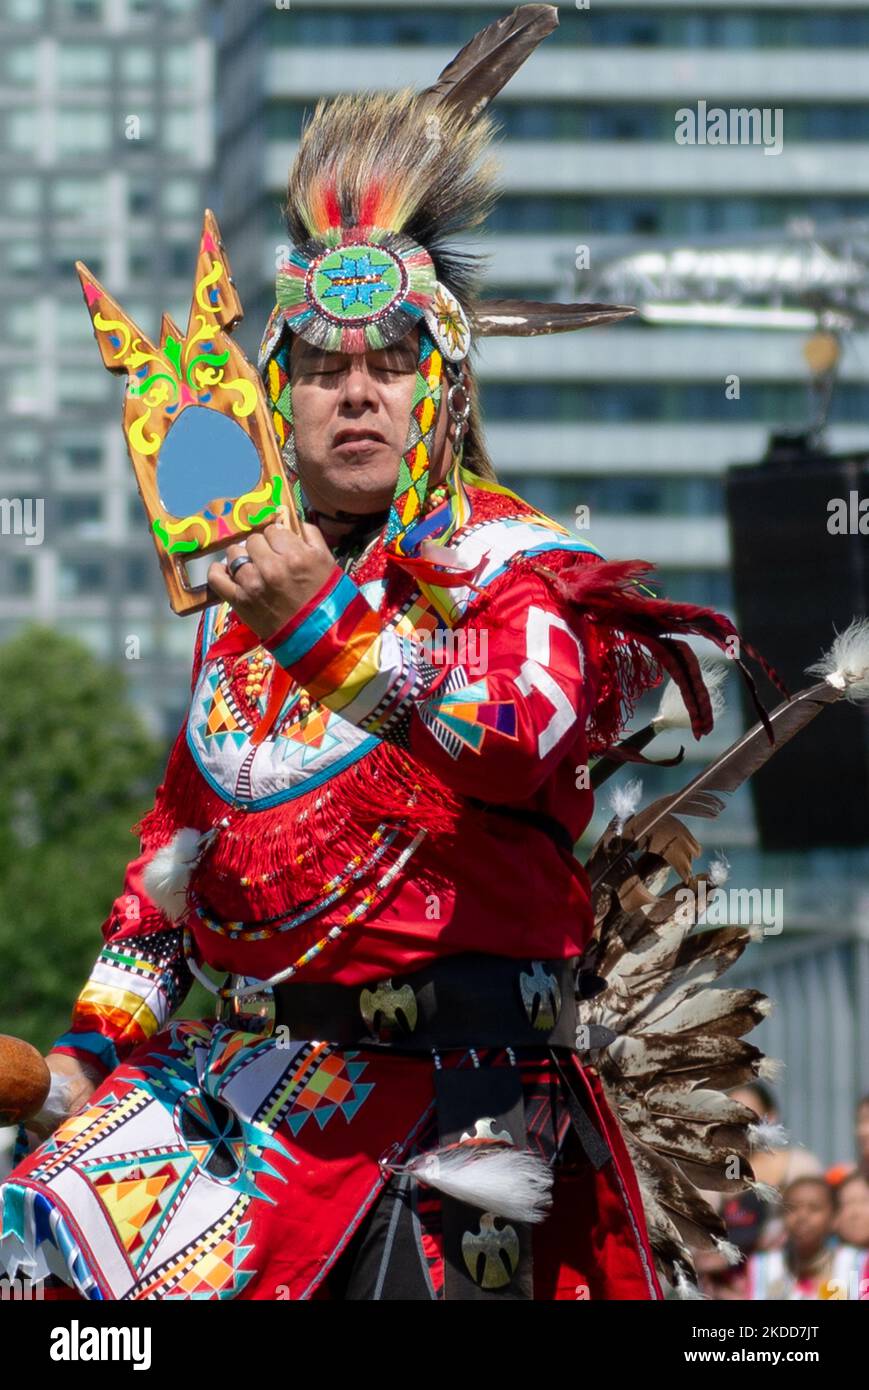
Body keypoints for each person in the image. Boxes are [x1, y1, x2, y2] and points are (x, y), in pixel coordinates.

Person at [0, 5, 792, 1302]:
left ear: (445, 387)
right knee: (30, 1256)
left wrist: (329, 630)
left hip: (452, 1115)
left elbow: (527, 733)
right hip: (242, 1095)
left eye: (389, 362)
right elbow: (171, 867)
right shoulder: (244, 608)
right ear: (278, 397)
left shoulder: (509, 560)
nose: (355, 390)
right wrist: (87, 1053)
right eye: (320, 365)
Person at [746, 1177, 867, 1300]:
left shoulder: (857, 1264)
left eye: (814, 1208)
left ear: (834, 1218)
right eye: (792, 1208)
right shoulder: (764, 1266)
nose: (802, 1217)